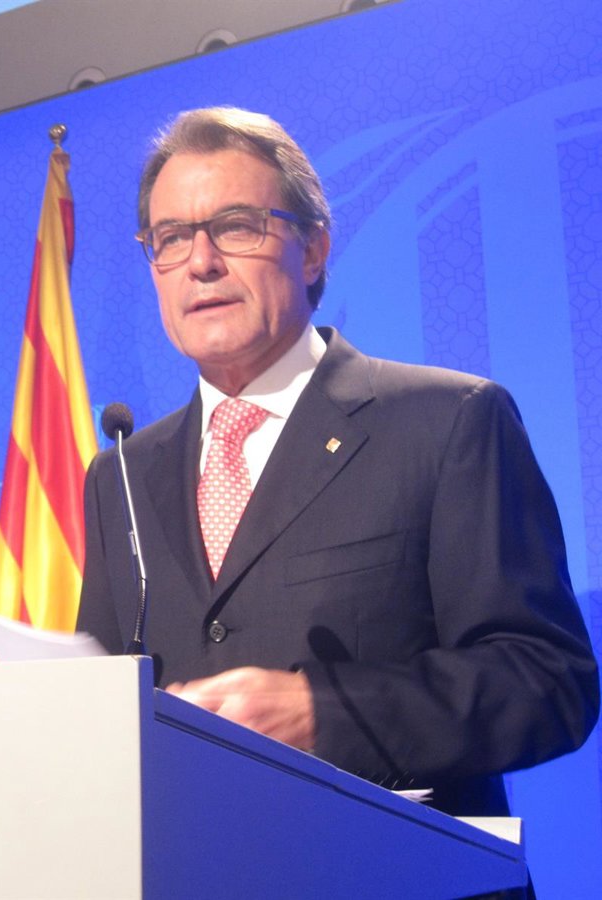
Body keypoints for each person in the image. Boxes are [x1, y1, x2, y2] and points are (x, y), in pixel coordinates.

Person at [76, 106, 599, 818]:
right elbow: (99, 706)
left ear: (314, 250)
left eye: (236, 226)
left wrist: (324, 711)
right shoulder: (121, 474)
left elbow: (548, 683)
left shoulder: (448, 421)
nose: (201, 262)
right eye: (171, 238)